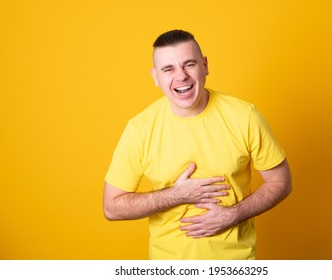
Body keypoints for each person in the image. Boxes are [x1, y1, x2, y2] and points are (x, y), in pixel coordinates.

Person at [103, 29, 292, 260]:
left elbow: (281, 182)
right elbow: (111, 208)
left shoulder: (244, 116)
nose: (181, 76)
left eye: (189, 64)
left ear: (205, 65)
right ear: (155, 77)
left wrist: (233, 214)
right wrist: (177, 195)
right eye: (168, 69)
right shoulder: (140, 129)